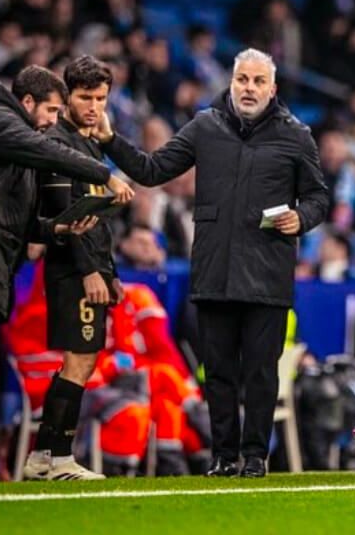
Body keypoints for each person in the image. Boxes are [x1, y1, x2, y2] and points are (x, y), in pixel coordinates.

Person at [92, 48, 329, 478]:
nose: (249, 88)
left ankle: (254, 457)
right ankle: (223, 456)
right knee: (217, 373)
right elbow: (151, 170)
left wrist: (302, 217)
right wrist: (110, 141)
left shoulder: (296, 135)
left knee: (260, 374)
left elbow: (318, 198)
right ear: (231, 83)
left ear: (273, 88)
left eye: (258, 81)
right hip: (214, 274)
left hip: (268, 277)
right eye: (242, 80)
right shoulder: (205, 126)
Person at [0, 66, 134, 483]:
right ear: (28, 102)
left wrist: (57, 230)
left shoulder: (15, 151)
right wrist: (104, 172)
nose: (54, 121)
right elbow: (49, 152)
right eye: (52, 110)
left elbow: (22, 222)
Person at [22, 56, 123, 481]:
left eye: (101, 98)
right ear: (67, 98)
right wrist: (89, 271)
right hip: (71, 270)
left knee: (81, 361)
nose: (94, 106)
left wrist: (110, 270)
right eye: (85, 98)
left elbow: (96, 221)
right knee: (78, 361)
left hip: (91, 268)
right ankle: (58, 457)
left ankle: (43, 456)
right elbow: (65, 216)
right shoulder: (58, 144)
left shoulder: (90, 144)